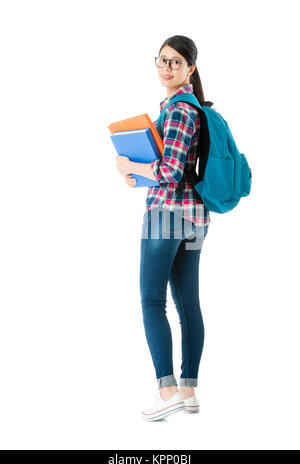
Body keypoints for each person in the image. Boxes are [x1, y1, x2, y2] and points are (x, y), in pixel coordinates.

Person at [116, 35, 211, 421]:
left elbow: (169, 174)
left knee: (152, 301)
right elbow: (178, 169)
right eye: (162, 60)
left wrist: (131, 168)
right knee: (188, 303)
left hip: (165, 217)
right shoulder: (194, 108)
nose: (166, 68)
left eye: (175, 62)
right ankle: (188, 391)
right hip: (194, 221)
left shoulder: (176, 111)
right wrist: (141, 177)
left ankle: (167, 389)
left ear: (190, 69)